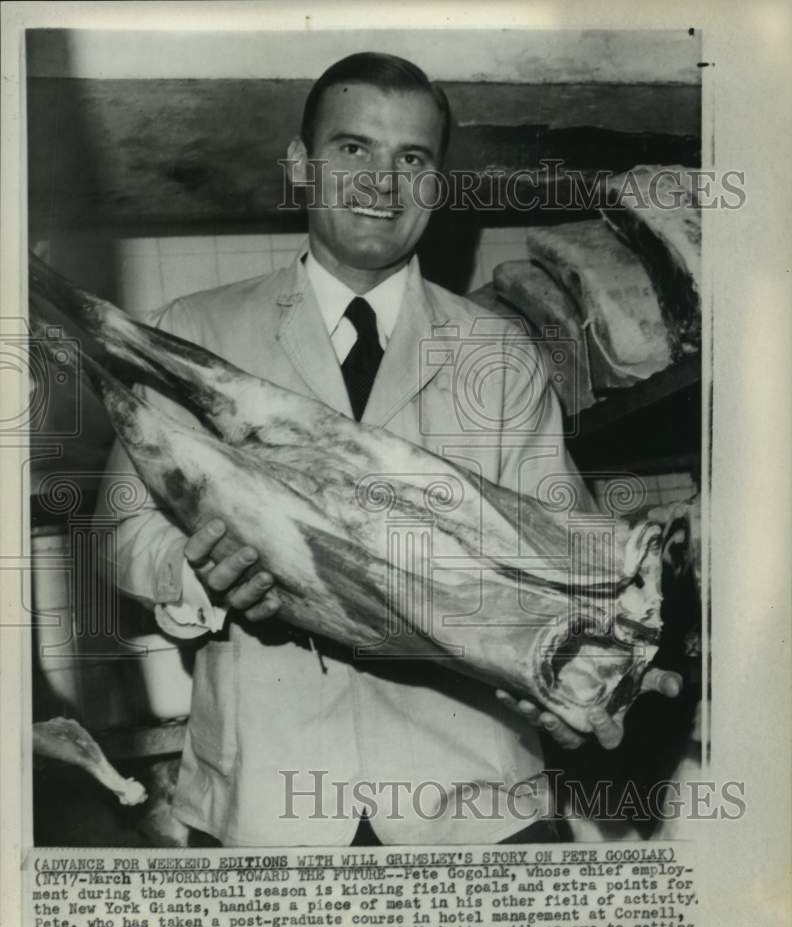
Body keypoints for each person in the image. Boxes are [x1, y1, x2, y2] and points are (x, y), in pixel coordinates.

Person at [98, 52, 681, 847]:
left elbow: (566, 555)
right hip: (265, 803)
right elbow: (120, 529)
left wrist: (602, 675)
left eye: (413, 158)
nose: (384, 181)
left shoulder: (501, 352)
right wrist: (191, 566)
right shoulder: (189, 331)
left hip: (473, 807)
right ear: (302, 168)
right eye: (353, 150)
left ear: (437, 185)